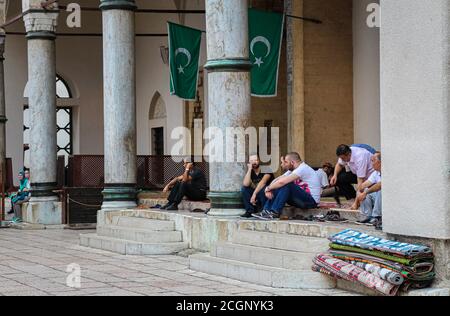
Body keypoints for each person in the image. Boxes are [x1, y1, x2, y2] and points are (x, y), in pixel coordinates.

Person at [253, 152, 322, 220]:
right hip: (301, 199)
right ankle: (266, 211)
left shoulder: (302, 168)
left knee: (286, 185)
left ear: (292, 162)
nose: (284, 164)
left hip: (311, 201)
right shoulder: (293, 170)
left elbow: (282, 182)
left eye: (286, 162)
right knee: (278, 185)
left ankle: (275, 212)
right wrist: (269, 189)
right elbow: (278, 179)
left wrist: (268, 188)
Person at [352, 152, 382, 229]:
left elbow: (380, 185)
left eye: (373, 161)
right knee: (364, 190)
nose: (372, 164)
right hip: (379, 200)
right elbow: (362, 186)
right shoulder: (376, 173)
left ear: (380, 162)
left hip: (389, 199)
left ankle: (377, 217)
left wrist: (365, 192)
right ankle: (367, 216)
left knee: (380, 190)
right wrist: (357, 200)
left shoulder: (387, 171)